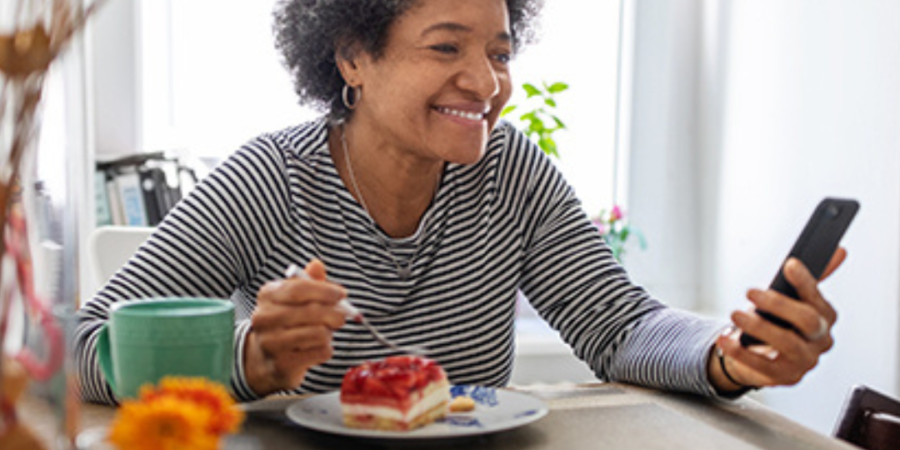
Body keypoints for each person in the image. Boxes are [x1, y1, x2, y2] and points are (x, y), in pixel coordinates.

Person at [76, 0, 843, 404]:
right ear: (352, 56)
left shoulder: (511, 172)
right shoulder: (271, 181)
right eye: (446, 47)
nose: (487, 82)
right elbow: (83, 347)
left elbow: (619, 326)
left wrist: (730, 355)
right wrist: (248, 357)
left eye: (499, 52)